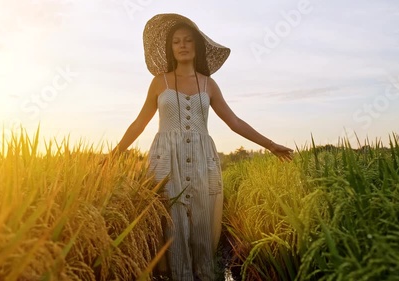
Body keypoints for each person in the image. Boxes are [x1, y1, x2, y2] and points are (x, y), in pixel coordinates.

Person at [111, 13, 293, 281]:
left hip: (202, 160)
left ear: (196, 47)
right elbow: (139, 123)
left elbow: (234, 121)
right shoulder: (159, 82)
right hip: (165, 160)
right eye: (176, 42)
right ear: (170, 48)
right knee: (171, 223)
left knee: (202, 223)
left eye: (187, 41)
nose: (182, 45)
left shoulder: (209, 84)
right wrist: (115, 154)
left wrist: (270, 144)